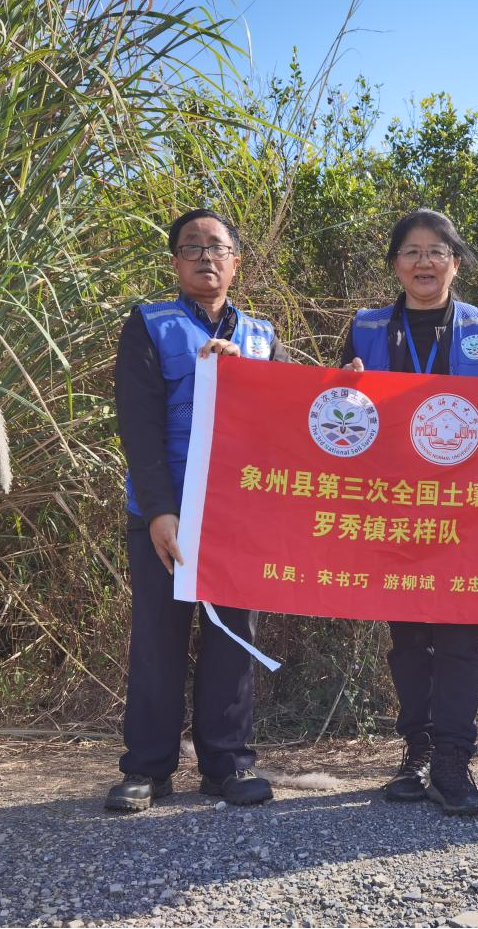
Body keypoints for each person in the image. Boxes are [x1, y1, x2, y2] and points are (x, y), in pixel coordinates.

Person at [107, 208, 290, 812]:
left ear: (237, 261)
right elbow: (138, 425)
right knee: (158, 637)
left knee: (233, 637)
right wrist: (161, 510)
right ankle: (148, 768)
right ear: (175, 262)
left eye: (217, 247)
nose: (205, 257)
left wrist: (344, 388)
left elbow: (287, 421)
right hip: (167, 513)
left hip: (239, 516)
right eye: (191, 247)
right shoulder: (150, 325)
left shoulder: (261, 337)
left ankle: (228, 765)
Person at [339, 208, 478, 816]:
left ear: (455, 263)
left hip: (468, 514)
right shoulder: (365, 329)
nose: (424, 263)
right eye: (411, 252)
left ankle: (452, 762)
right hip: (394, 512)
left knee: (461, 638)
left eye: (437, 251)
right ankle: (416, 753)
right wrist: (346, 385)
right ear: (394, 264)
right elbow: (336, 418)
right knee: (409, 639)